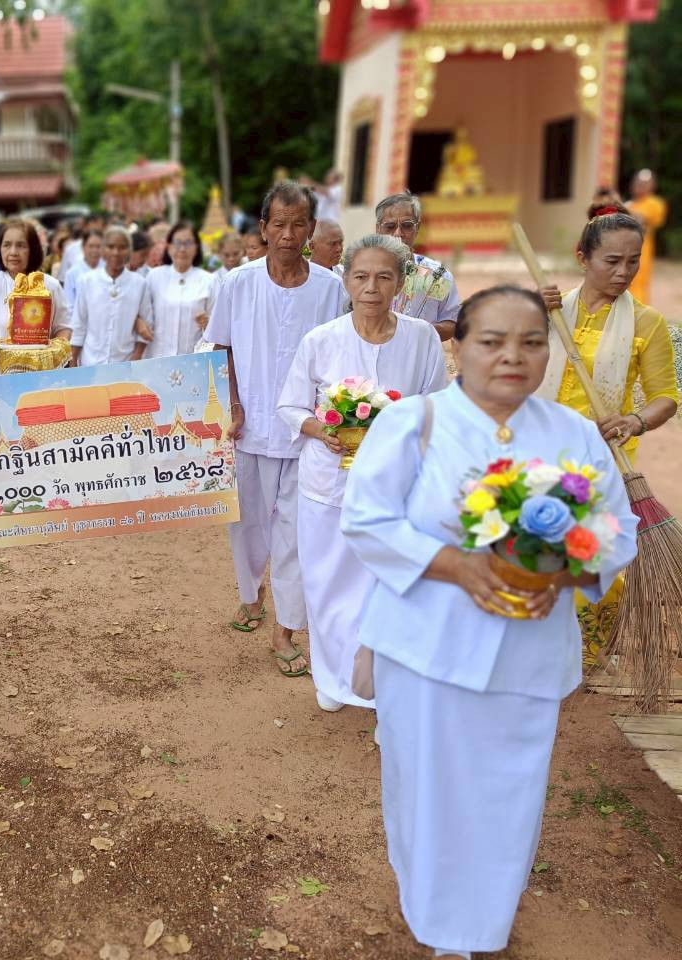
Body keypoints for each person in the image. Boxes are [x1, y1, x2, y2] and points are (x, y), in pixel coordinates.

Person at [340, 286, 638, 960]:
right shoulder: (414, 422)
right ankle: (436, 920)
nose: (513, 356)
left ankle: (479, 926)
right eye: (492, 341)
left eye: (532, 342)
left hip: (529, 651)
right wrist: (454, 564)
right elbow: (366, 520)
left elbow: (615, 533)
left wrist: (562, 573)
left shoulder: (574, 433)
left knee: (509, 794)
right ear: (458, 346)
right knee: (427, 790)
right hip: (426, 649)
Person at [277, 234, 448, 712]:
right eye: (360, 276)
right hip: (328, 483)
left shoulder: (422, 337)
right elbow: (290, 405)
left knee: (387, 583)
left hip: (397, 487)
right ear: (345, 280)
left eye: (383, 276)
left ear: (399, 282)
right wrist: (320, 428)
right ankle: (332, 680)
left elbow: (439, 404)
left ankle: (381, 684)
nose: (371, 287)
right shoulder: (321, 340)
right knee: (328, 583)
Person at [205, 182, 347, 676]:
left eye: (298, 224)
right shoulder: (237, 283)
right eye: (279, 224)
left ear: (311, 230)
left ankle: (284, 630)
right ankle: (252, 593)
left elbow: (338, 359)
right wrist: (235, 405)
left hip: (306, 434)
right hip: (248, 429)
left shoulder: (331, 289)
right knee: (245, 526)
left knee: (295, 533)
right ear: (263, 228)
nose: (288, 234)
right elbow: (220, 347)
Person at [537, 208, 678, 463]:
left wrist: (635, 421)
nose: (624, 272)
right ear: (583, 259)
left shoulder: (646, 322)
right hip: (538, 443)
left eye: (633, 261)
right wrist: (528, 315)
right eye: (612, 261)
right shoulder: (552, 311)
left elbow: (666, 397)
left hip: (603, 456)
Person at [0, 218, 71, 365]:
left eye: (21, 245)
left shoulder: (51, 286)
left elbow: (63, 328)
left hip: (44, 375)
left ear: (33, 249)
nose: (13, 252)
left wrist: (53, 351)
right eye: (7, 245)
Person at [375, 192, 461, 341]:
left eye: (407, 226)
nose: (398, 233)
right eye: (390, 226)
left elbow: (452, 323)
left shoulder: (437, 276)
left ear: (418, 227)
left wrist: (415, 332)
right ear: (378, 229)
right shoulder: (360, 272)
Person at [70, 226, 154, 366]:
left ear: (129, 251)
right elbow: (79, 325)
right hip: (90, 362)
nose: (116, 252)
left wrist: (136, 358)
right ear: (103, 250)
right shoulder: (87, 281)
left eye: (122, 247)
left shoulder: (139, 283)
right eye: (110, 247)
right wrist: (72, 362)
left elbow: (147, 323)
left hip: (125, 362)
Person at [144, 221, 215, 359]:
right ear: (169, 246)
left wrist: (208, 322)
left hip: (193, 362)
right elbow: (143, 316)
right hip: (157, 360)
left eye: (188, 243)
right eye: (177, 243)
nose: (182, 249)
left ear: (196, 248)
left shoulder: (209, 280)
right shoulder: (154, 276)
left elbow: (218, 324)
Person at [627, 169, 668, 304]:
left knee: (638, 280)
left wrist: (623, 211)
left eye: (644, 183)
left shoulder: (655, 203)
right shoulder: (630, 204)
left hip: (642, 250)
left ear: (652, 185)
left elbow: (643, 218)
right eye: (638, 182)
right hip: (624, 249)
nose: (640, 186)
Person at [63, 229, 104, 312]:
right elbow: (69, 305)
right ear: (83, 247)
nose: (95, 250)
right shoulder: (72, 273)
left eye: (98, 246)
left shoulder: (110, 269)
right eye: (91, 246)